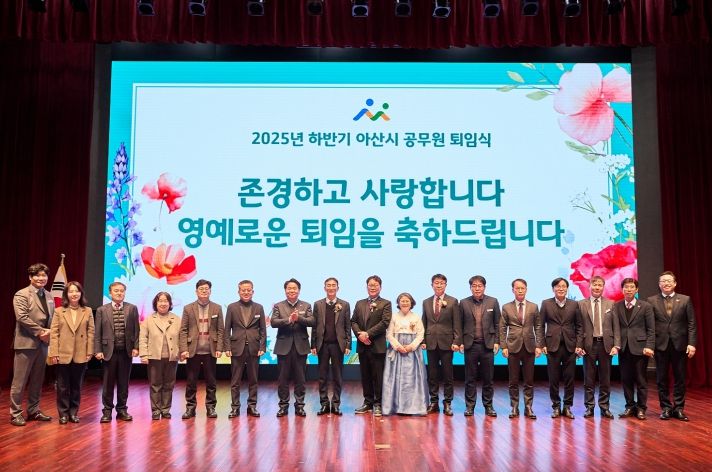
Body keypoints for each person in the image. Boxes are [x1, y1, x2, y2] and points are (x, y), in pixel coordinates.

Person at [647, 271, 697, 421]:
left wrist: (691, 344)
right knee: (661, 379)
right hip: (660, 345)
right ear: (659, 284)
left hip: (680, 345)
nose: (666, 283)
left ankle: (679, 408)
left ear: (675, 283)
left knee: (680, 378)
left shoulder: (685, 299)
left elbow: (691, 324)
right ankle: (666, 408)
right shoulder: (651, 301)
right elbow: (649, 326)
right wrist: (650, 345)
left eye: (669, 281)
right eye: (663, 281)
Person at [10, 263, 55, 426]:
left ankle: (33, 410)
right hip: (26, 343)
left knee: (37, 379)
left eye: (44, 275)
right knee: (20, 381)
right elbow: (22, 317)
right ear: (30, 277)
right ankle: (15, 413)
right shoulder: (22, 294)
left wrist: (49, 333)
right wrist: (41, 332)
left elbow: (52, 317)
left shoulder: (49, 295)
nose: (41, 278)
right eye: (37, 275)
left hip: (43, 344)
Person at [48, 281, 94, 424]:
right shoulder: (59, 311)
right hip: (62, 353)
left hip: (81, 353)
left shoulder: (87, 311)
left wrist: (89, 351)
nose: (74, 294)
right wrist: (54, 352)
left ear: (81, 293)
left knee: (76, 386)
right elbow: (54, 333)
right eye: (71, 291)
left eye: (77, 291)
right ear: (66, 294)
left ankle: (73, 413)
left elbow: (91, 332)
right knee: (62, 386)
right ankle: (63, 414)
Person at [94, 281, 140, 423]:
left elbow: (136, 330)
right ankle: (107, 411)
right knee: (107, 384)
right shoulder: (102, 310)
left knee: (123, 383)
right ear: (110, 293)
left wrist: (136, 347)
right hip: (109, 352)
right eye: (116, 291)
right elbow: (97, 332)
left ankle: (122, 410)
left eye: (122, 291)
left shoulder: (132, 308)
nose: (119, 293)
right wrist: (98, 350)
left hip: (126, 351)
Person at [179, 279, 224, 420]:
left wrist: (219, 348)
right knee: (191, 382)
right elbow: (183, 330)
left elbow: (220, 330)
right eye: (201, 289)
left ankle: (211, 408)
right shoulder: (188, 308)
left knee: (211, 382)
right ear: (196, 291)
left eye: (206, 289)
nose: (204, 291)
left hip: (210, 350)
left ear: (210, 291)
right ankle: (190, 408)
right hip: (193, 351)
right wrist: (184, 349)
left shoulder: (217, 308)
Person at [500, 278, 543, 420]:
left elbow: (538, 326)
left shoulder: (533, 306)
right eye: (517, 288)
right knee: (513, 380)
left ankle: (528, 407)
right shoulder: (506, 307)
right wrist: (504, 346)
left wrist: (538, 345)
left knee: (529, 380)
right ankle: (514, 407)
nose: (520, 290)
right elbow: (502, 327)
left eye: (522, 288)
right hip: (513, 347)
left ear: (526, 289)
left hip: (529, 347)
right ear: (513, 290)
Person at [540, 278, 584, 419]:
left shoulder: (574, 304)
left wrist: (579, 345)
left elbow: (579, 326)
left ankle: (567, 406)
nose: (561, 289)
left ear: (567, 289)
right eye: (558, 286)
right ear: (553, 289)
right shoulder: (546, 303)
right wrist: (542, 344)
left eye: (564, 286)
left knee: (569, 378)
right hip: (552, 346)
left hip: (570, 346)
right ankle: (556, 406)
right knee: (553, 379)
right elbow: (540, 326)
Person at [271, 278, 314, 417]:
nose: (292, 290)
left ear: (299, 290)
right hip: (283, 347)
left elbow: (312, 321)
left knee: (300, 378)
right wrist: (288, 320)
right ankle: (283, 406)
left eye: (294, 288)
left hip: (301, 347)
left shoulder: (306, 305)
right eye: (289, 288)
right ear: (285, 290)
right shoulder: (278, 306)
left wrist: (298, 319)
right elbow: (273, 322)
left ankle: (299, 406)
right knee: (282, 379)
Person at [459, 275, 500, 418]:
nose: (477, 288)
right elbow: (459, 324)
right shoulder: (463, 303)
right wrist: (460, 342)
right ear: (470, 288)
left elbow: (498, 324)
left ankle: (488, 406)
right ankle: (470, 406)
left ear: (484, 287)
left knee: (488, 379)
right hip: (470, 346)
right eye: (474, 286)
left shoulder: (493, 301)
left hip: (487, 345)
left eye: (480, 286)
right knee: (470, 378)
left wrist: (497, 342)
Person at [351, 275, 392, 417]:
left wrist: (367, 334)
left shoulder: (386, 303)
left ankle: (378, 403)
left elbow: (385, 322)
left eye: (375, 285)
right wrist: (360, 335)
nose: (372, 287)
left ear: (380, 287)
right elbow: (353, 321)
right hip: (362, 346)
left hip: (377, 346)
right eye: (370, 285)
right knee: (365, 375)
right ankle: (367, 402)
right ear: (366, 286)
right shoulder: (359, 303)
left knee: (378, 376)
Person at [224, 280, 266, 418]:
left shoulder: (259, 307)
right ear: (239, 291)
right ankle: (235, 408)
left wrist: (262, 346)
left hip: (254, 348)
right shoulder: (232, 307)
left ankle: (252, 406)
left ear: (253, 292)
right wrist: (227, 347)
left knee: (253, 380)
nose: (246, 292)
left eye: (249, 290)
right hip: (237, 348)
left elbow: (263, 330)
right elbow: (227, 329)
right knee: (235, 381)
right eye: (243, 290)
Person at [578, 275, 619, 419]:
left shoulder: (611, 304)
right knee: (588, 379)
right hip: (588, 345)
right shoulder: (581, 304)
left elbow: (616, 326)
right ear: (589, 287)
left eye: (600, 285)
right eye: (594, 285)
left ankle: (604, 407)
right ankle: (589, 407)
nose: (597, 287)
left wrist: (616, 345)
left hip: (605, 345)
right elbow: (578, 327)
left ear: (603, 287)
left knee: (605, 379)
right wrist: (578, 345)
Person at [311, 277, 352, 416]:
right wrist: (313, 344)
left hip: (337, 345)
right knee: (322, 376)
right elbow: (314, 326)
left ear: (338, 288)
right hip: (322, 345)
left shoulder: (344, 304)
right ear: (324, 288)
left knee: (337, 376)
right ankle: (324, 404)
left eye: (333, 285)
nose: (331, 287)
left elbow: (347, 326)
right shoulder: (318, 304)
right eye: (328, 285)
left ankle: (335, 404)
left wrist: (348, 344)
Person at [382, 293, 428, 416]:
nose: (405, 303)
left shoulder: (416, 317)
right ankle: (395, 406)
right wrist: (398, 346)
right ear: (398, 303)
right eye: (402, 301)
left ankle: (412, 407)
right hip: (396, 350)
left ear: (411, 303)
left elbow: (421, 334)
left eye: (407, 301)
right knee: (395, 378)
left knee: (412, 379)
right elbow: (389, 334)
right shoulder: (393, 317)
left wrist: (411, 346)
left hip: (412, 352)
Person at [420, 274, 460, 416]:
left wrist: (456, 341)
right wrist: (423, 341)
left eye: (441, 283)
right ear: (432, 285)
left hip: (447, 343)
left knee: (448, 375)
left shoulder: (453, 301)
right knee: (432, 375)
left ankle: (447, 403)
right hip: (431, 343)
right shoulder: (426, 302)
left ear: (445, 285)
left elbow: (457, 323)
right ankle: (434, 402)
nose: (438, 285)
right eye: (436, 283)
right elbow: (424, 322)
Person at [615, 278, 655, 420]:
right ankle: (630, 406)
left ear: (636, 289)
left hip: (641, 348)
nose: (629, 289)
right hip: (624, 348)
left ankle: (641, 408)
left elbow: (651, 329)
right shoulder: (617, 306)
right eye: (626, 287)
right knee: (626, 379)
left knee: (641, 380)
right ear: (622, 290)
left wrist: (649, 346)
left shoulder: (645, 306)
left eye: (632, 287)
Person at [139, 291, 181, 420]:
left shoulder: (176, 319)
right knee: (155, 385)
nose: (163, 303)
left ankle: (166, 410)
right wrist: (143, 355)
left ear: (170, 303)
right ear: (156, 303)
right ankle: (156, 410)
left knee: (169, 384)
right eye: (160, 301)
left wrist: (182, 352)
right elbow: (143, 338)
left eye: (165, 301)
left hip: (172, 357)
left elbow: (182, 337)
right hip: (154, 357)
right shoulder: (149, 319)